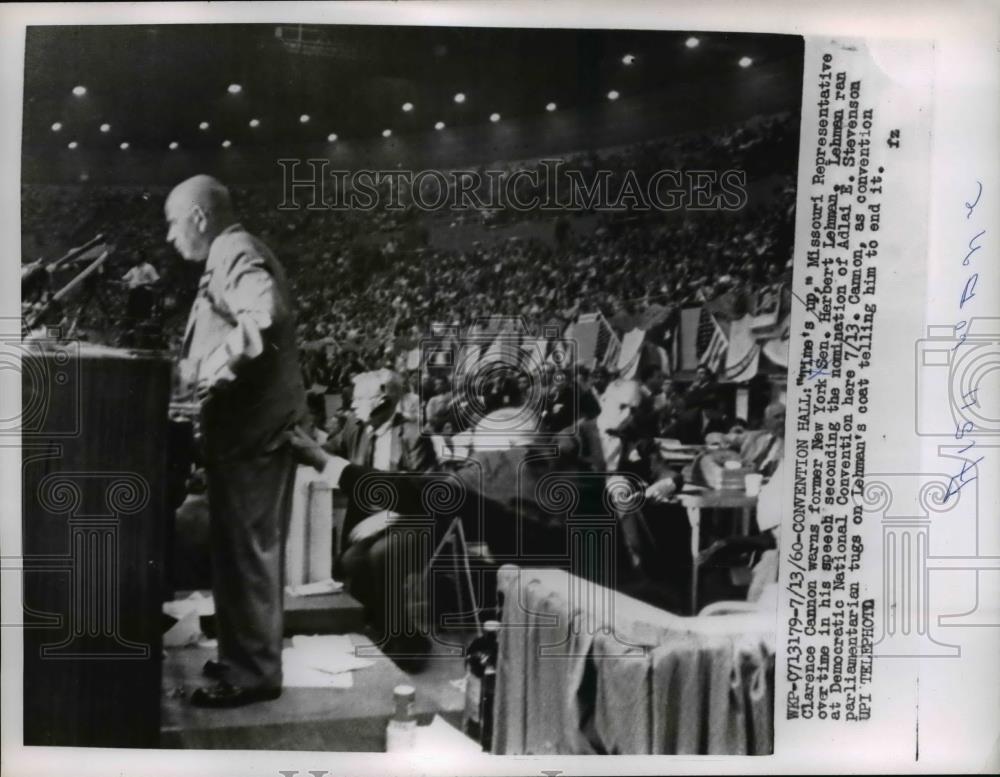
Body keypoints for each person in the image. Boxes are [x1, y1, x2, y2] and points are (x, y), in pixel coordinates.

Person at [168, 174, 306, 708]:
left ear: (199, 217)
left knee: (248, 553)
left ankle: (253, 673)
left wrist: (210, 372)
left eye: (173, 223)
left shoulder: (235, 250)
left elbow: (263, 316)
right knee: (234, 551)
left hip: (254, 433)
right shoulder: (227, 253)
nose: (170, 237)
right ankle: (240, 658)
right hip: (244, 434)